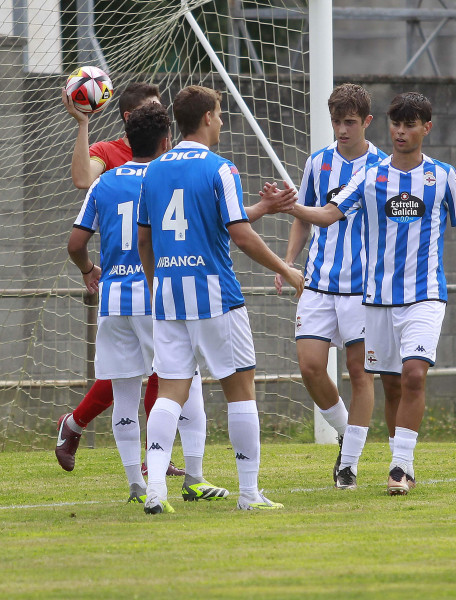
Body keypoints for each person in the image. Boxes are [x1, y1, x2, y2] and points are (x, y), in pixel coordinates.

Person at [289, 92, 456, 496]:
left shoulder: (443, 176)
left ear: (427, 127)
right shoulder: (370, 176)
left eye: (410, 125)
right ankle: (375, 459)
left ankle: (400, 468)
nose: (401, 132)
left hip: (425, 295)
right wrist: (289, 208)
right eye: (397, 125)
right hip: (377, 299)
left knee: (413, 375)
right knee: (390, 384)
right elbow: (329, 213)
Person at [137, 85, 304, 514]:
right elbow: (239, 233)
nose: (223, 121)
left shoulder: (152, 171)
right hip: (216, 295)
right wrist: (285, 269)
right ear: (208, 118)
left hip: (170, 296)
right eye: (221, 114)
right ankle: (249, 493)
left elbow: (144, 238)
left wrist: (158, 284)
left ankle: (155, 488)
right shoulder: (220, 169)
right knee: (240, 389)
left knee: (169, 392)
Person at [67, 102, 229, 503]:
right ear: (165, 141)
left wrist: (89, 269)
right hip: (156, 297)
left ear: (126, 140)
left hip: (114, 301)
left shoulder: (103, 183)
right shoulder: (161, 178)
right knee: (185, 384)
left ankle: (136, 485)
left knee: (124, 394)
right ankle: (194, 477)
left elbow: (75, 244)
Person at [56, 82, 179, 475]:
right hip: (136, 282)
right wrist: (82, 124)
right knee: (164, 371)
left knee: (139, 374)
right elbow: (80, 179)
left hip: (138, 288)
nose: (162, 114)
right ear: (131, 118)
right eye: (154, 108)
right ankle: (160, 463)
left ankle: (85, 430)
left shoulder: (168, 157)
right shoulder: (108, 155)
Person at [272, 83, 387, 490]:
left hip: (362, 288)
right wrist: (288, 262)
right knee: (310, 366)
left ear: (366, 122)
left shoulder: (383, 168)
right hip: (319, 283)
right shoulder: (318, 162)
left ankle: (349, 465)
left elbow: (325, 214)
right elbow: (304, 218)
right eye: (336, 121)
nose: (341, 129)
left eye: (350, 122)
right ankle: (346, 433)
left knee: (360, 373)